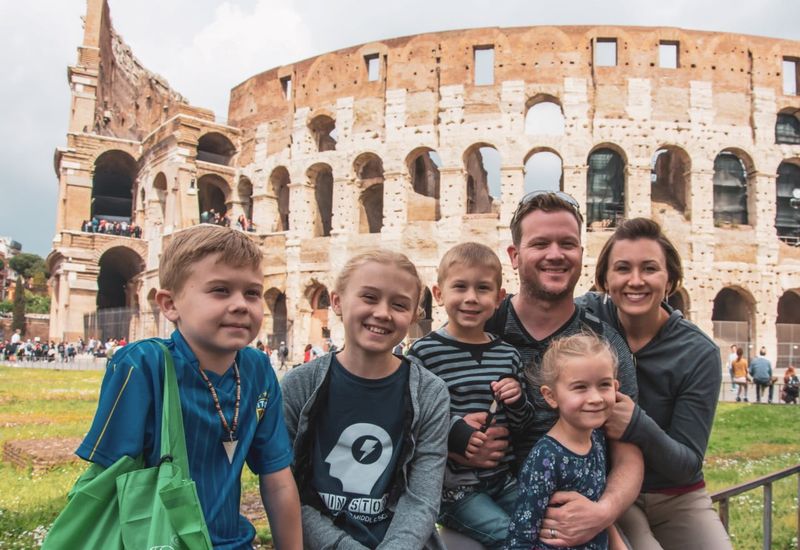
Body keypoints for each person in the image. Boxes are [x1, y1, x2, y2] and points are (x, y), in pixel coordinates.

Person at [75, 224, 302, 549]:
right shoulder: (142, 365)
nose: (241, 304)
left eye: (252, 293)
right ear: (169, 305)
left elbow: (277, 479)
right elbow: (108, 480)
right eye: (220, 290)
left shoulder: (258, 369)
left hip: (232, 542)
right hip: (155, 541)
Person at [477, 191, 642, 547]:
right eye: (540, 244)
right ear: (515, 255)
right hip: (486, 506)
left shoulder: (605, 345)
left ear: (581, 254)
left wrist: (603, 512)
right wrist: (458, 439)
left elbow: (628, 449)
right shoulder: (480, 328)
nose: (555, 254)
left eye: (567, 244)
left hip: (585, 511)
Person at [578, 217, 732, 549]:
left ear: (671, 280)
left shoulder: (698, 352)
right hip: (608, 489)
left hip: (676, 497)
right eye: (622, 269)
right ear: (604, 279)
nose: (635, 281)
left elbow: (687, 464)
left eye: (649, 268)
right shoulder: (583, 318)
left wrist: (636, 424)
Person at [281, 250, 450, 549]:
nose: (383, 313)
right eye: (369, 298)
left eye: (399, 305)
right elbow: (286, 490)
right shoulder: (300, 385)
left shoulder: (430, 392)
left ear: (413, 315)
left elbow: (422, 499)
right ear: (337, 301)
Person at [408, 242, 534, 549]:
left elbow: (522, 424)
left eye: (483, 289)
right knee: (510, 536)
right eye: (460, 287)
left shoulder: (507, 355)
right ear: (438, 294)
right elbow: (411, 417)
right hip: (454, 490)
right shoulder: (424, 353)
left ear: (498, 298)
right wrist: (456, 433)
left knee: (540, 523)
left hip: (502, 479)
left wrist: (518, 399)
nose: (471, 298)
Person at [506, 332, 626, 550]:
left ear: (616, 387)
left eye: (604, 385)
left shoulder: (597, 438)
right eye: (580, 387)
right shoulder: (546, 458)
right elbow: (521, 538)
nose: (596, 398)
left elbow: (598, 508)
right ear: (551, 396)